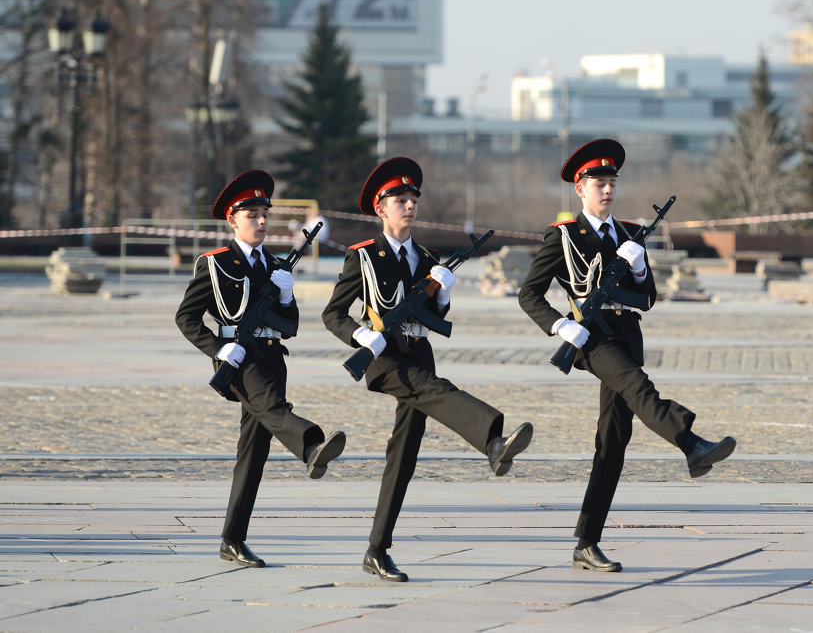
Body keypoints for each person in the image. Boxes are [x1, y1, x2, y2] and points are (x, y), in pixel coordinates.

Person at [518, 138, 737, 573]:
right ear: (579, 189)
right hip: (592, 338)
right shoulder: (563, 236)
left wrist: (638, 267)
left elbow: (647, 298)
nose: (607, 189)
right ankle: (691, 443)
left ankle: (586, 543)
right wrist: (561, 325)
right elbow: (529, 294)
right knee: (640, 389)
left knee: (613, 442)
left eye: (612, 182)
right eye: (598, 182)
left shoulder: (628, 234)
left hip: (625, 336)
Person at [322, 156, 534, 583]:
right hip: (383, 358)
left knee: (404, 454)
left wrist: (442, 293)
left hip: (418, 353)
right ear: (381, 209)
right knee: (438, 390)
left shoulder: (427, 256)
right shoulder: (362, 257)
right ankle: (492, 441)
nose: (409, 204)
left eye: (412, 198)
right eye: (399, 199)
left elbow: (435, 315)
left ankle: (377, 549)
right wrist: (362, 337)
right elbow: (333, 314)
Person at [175, 169, 346, 569]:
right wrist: (218, 349)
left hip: (271, 359)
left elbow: (290, 327)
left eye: (264, 213)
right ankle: (310, 445)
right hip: (240, 361)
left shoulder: (274, 264)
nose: (261, 221)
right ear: (233, 220)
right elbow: (186, 318)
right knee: (273, 410)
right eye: (251, 214)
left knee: (252, 454)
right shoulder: (214, 263)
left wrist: (286, 295)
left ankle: (232, 539)